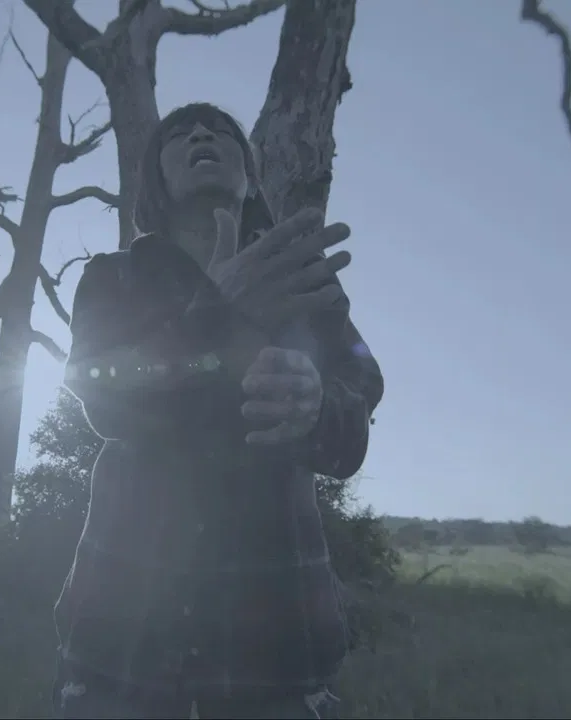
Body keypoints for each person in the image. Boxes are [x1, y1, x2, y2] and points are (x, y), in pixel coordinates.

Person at [53, 102, 385, 719]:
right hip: (122, 644)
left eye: (221, 132)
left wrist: (317, 406)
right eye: (179, 134)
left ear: (251, 179)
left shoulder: (305, 280)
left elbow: (359, 396)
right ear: (155, 182)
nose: (202, 133)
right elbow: (103, 396)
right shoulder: (114, 278)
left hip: (277, 647)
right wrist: (216, 314)